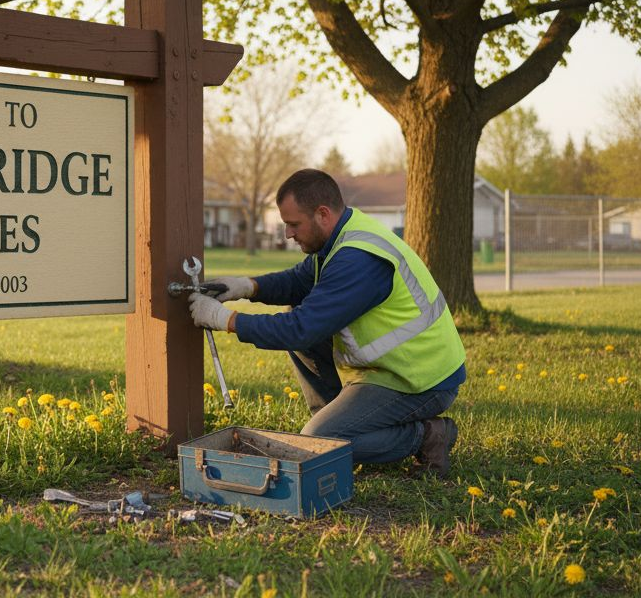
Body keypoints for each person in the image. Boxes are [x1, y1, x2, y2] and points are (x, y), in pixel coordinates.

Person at [188, 168, 466, 477]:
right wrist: (246, 286)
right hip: (397, 367)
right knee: (300, 316)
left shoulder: (358, 260)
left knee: (317, 440)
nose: (288, 235)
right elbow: (298, 280)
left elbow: (300, 328)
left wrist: (225, 320)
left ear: (322, 214)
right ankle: (338, 425)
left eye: (293, 224)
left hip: (422, 379)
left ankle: (426, 436)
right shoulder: (340, 237)